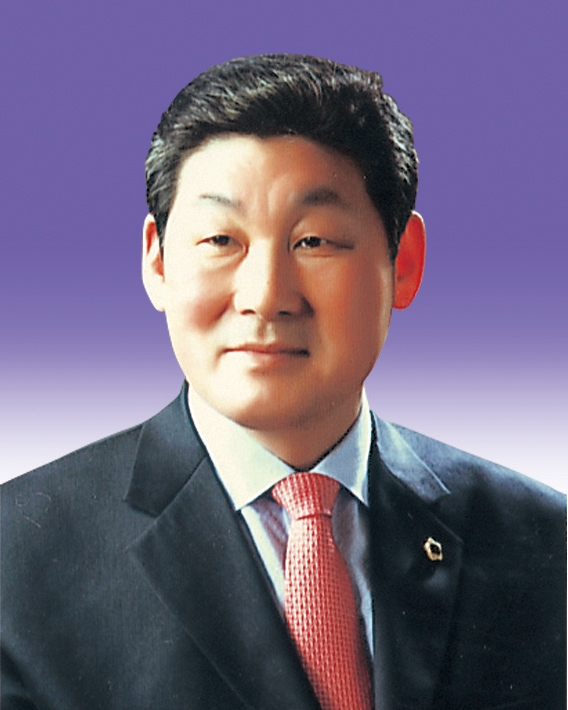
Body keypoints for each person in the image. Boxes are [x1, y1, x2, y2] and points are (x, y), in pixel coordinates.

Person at [1, 54, 565, 710]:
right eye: (221, 239)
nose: (266, 297)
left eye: (314, 241)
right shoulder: (17, 557)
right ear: (157, 262)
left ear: (403, 262)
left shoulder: (545, 543)